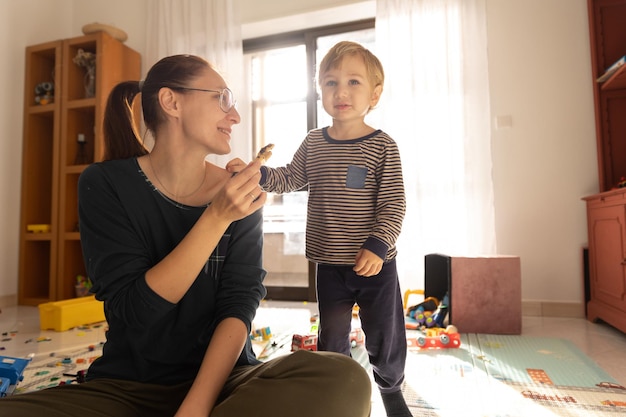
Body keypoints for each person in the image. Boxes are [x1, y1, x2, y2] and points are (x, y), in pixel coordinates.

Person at [1, 54, 372, 417]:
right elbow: (135, 311)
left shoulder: (236, 189)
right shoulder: (104, 183)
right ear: (171, 101)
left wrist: (197, 405)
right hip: (128, 387)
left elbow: (238, 305)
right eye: (222, 98)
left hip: (227, 385)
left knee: (343, 378)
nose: (236, 116)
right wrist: (216, 217)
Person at [236, 41, 410, 417]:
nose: (341, 92)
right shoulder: (314, 142)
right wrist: (259, 174)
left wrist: (378, 245)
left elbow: (394, 204)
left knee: (384, 335)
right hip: (329, 263)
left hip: (376, 266)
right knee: (332, 338)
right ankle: (335, 392)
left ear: (374, 95)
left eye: (352, 82)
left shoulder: (383, 147)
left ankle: (392, 392)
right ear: (320, 91)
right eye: (330, 83)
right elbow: (289, 177)